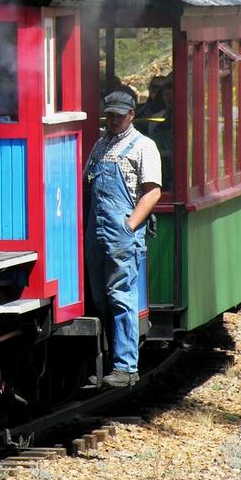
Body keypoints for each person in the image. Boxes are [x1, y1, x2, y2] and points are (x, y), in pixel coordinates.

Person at [85, 90, 162, 387]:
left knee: (121, 297)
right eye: (110, 115)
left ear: (132, 114)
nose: (114, 120)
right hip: (96, 231)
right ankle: (107, 364)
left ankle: (127, 366)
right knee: (100, 298)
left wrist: (130, 226)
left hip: (120, 233)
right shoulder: (100, 145)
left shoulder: (144, 146)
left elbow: (153, 191)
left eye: (119, 115)